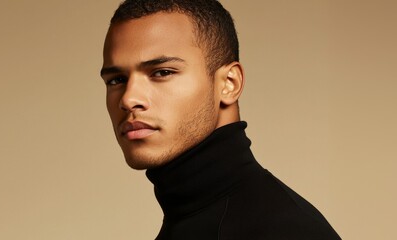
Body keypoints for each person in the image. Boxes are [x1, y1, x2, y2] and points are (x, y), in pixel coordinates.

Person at [100, 0, 341, 239]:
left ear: (229, 84)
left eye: (162, 72)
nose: (129, 99)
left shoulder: (286, 230)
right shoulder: (189, 220)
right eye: (116, 80)